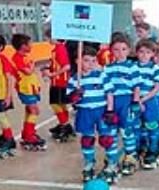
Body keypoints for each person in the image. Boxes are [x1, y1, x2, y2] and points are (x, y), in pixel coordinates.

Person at [67, 46, 119, 184]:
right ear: (78, 61)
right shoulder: (74, 80)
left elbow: (109, 93)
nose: (90, 64)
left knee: (107, 139)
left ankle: (112, 164)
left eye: (93, 60)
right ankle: (89, 164)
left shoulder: (101, 75)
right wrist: (75, 96)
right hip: (85, 112)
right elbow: (70, 99)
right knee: (87, 140)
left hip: (101, 111)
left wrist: (110, 110)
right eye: (86, 60)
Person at [104, 32, 141, 176]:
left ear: (129, 50)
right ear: (111, 51)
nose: (120, 53)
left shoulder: (133, 67)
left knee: (127, 132)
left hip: (126, 102)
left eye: (124, 49)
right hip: (111, 103)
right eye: (116, 49)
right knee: (110, 132)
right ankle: (112, 159)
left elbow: (136, 86)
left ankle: (130, 157)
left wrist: (136, 102)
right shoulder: (107, 68)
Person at [11, 34, 47, 151]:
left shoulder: (24, 56)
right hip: (25, 88)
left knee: (30, 110)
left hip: (31, 87)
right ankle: (29, 135)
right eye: (29, 43)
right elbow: (27, 71)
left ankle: (27, 133)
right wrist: (32, 66)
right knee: (34, 111)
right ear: (23, 46)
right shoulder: (17, 58)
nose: (31, 45)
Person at [135, 39, 159, 169]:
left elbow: (157, 88)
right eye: (141, 52)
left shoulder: (155, 68)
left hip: (149, 101)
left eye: (147, 52)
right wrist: (137, 100)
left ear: (152, 54)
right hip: (135, 100)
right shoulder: (132, 67)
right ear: (136, 53)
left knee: (152, 127)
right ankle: (140, 149)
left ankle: (153, 151)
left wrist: (143, 99)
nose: (144, 55)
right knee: (138, 127)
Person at [42, 29, 75, 142]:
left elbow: (66, 66)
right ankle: (65, 125)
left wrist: (53, 74)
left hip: (60, 82)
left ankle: (65, 125)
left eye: (47, 37)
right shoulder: (56, 49)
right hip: (58, 81)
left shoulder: (60, 48)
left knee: (55, 103)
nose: (47, 40)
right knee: (60, 104)